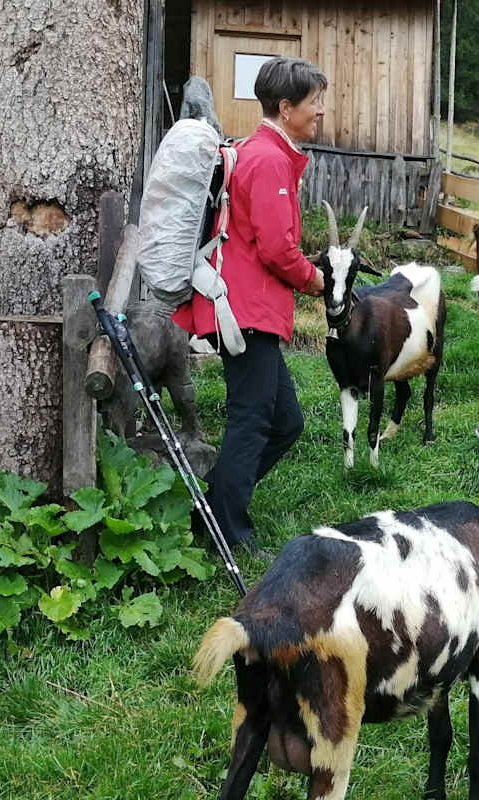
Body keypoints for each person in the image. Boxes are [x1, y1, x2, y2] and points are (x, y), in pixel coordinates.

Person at [172, 56, 327, 554]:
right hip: (244, 311)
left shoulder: (263, 152)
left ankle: (211, 508)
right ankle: (228, 533)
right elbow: (277, 248)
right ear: (286, 108)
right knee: (253, 418)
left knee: (285, 421)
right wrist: (316, 281)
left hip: (246, 307)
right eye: (313, 102)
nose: (320, 111)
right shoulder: (267, 159)